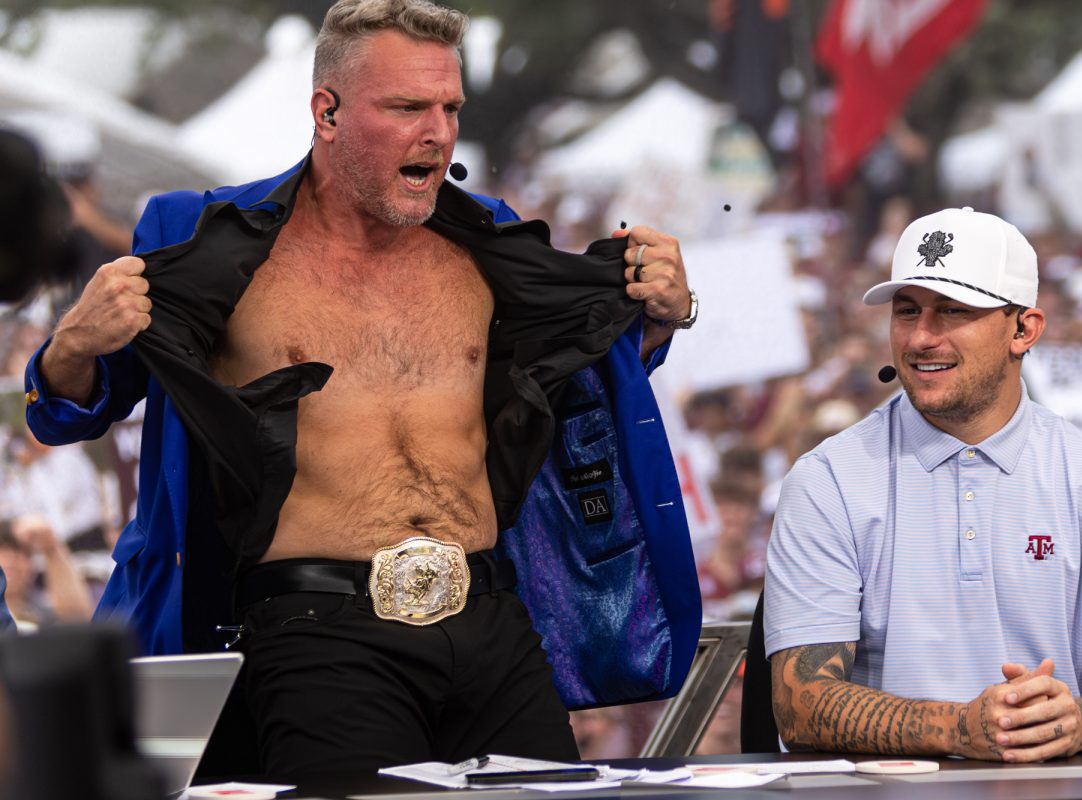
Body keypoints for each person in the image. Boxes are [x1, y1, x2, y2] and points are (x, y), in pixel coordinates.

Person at [25, 0, 701, 777]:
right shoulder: (206, 239)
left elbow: (572, 390)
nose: (438, 132)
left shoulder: (490, 239)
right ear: (328, 111)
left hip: (490, 616)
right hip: (316, 630)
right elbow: (67, 409)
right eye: (408, 107)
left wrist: (661, 320)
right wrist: (74, 341)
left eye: (449, 107)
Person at [765, 206, 1082, 762]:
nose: (920, 338)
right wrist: (959, 727)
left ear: (1024, 329)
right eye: (906, 311)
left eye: (953, 311)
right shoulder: (828, 481)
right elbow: (800, 703)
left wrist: (1076, 720)